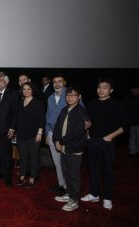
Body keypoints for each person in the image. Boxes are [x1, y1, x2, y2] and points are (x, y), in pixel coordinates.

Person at [81, 78, 130, 210]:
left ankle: (107, 197)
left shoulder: (117, 104)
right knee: (93, 169)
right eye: (99, 87)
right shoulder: (91, 104)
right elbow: (89, 122)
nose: (101, 90)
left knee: (107, 171)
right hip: (92, 141)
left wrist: (110, 136)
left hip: (108, 142)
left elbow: (126, 125)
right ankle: (94, 194)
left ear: (111, 90)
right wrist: (88, 127)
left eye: (104, 87)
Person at [52, 86, 89, 212]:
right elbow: (57, 127)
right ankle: (69, 193)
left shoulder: (81, 111)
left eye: (73, 95)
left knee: (74, 175)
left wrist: (61, 142)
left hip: (74, 148)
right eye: (68, 95)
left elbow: (77, 132)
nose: (70, 97)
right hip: (63, 147)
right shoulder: (64, 110)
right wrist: (56, 140)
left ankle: (75, 200)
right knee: (66, 172)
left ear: (79, 97)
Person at [0, 72, 18, 186]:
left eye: (1, 80)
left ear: (7, 82)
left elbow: (16, 113)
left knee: (5, 153)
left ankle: (7, 176)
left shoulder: (12, 93)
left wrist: (12, 128)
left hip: (6, 128)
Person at [15, 82, 45, 188]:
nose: (26, 91)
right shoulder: (20, 102)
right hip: (21, 135)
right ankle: (22, 176)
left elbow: (42, 120)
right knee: (22, 157)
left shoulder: (38, 103)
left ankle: (32, 177)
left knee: (33, 157)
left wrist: (40, 133)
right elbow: (17, 119)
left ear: (32, 90)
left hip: (34, 135)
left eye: (28, 89)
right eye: (24, 89)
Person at [45, 74, 68, 196]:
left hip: (66, 135)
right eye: (54, 82)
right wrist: (47, 133)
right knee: (57, 162)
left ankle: (69, 188)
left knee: (67, 163)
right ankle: (61, 185)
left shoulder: (71, 95)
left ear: (64, 82)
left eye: (60, 81)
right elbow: (48, 116)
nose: (57, 84)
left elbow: (82, 112)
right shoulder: (50, 98)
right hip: (52, 133)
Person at [123, 86, 139, 156]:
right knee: (132, 136)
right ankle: (132, 151)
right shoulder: (127, 98)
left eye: (137, 89)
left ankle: (138, 151)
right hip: (131, 122)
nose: (136, 90)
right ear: (131, 90)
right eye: (135, 89)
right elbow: (124, 110)